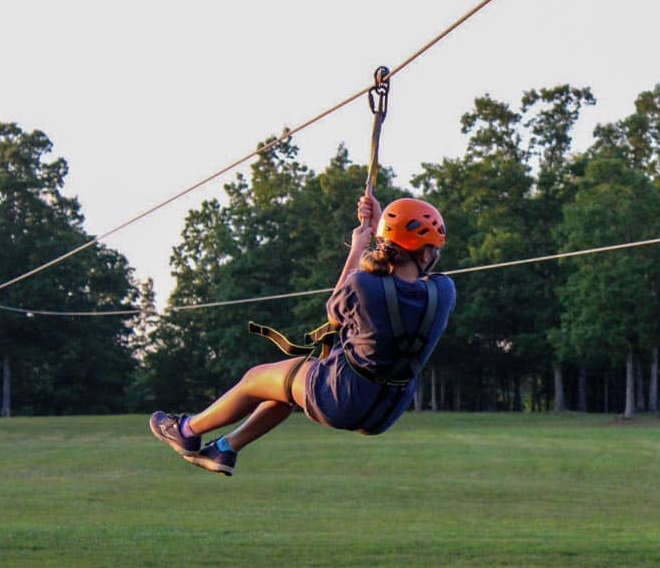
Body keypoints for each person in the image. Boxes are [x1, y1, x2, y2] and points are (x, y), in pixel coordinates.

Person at [149, 193, 456, 475]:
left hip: (341, 394)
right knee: (284, 387)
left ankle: (187, 431)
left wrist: (359, 247)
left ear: (388, 244)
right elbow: (405, 282)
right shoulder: (444, 291)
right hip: (386, 410)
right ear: (426, 253)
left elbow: (334, 313)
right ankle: (224, 450)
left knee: (256, 378)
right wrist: (378, 229)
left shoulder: (364, 285)